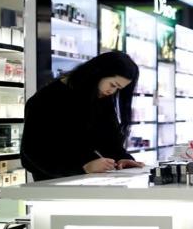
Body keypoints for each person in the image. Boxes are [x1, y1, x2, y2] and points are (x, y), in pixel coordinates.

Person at [21, 51, 144, 181]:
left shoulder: (100, 97)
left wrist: (121, 159)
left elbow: (108, 140)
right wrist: (83, 168)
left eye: (118, 89)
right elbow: (33, 152)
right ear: (98, 72)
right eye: (113, 85)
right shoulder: (47, 99)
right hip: (53, 184)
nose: (112, 91)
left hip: (89, 182)